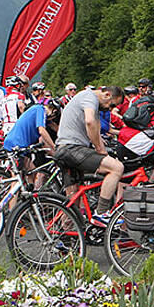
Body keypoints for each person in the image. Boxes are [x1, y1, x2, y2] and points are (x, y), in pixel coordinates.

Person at [54, 84, 127, 224]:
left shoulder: (92, 103)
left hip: (63, 149)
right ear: (106, 95)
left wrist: (103, 151)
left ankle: (65, 237)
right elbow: (89, 121)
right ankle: (101, 213)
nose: (110, 109)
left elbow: (97, 128)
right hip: (72, 148)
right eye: (111, 105)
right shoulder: (90, 97)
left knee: (74, 200)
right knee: (117, 168)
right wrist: (99, 148)